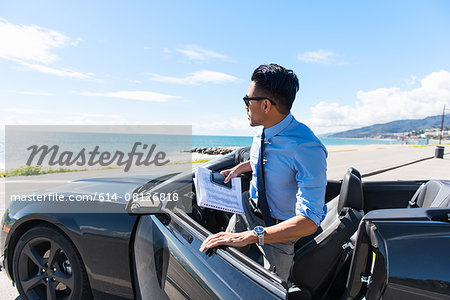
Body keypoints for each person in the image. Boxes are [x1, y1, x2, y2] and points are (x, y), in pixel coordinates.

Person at [200, 64, 327, 281]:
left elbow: (309, 221)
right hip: (247, 209)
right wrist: (243, 166)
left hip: (279, 229)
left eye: (247, 100)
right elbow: (268, 159)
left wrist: (252, 236)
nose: (245, 106)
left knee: (270, 290)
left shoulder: (307, 148)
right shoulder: (262, 129)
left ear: (266, 105)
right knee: (221, 264)